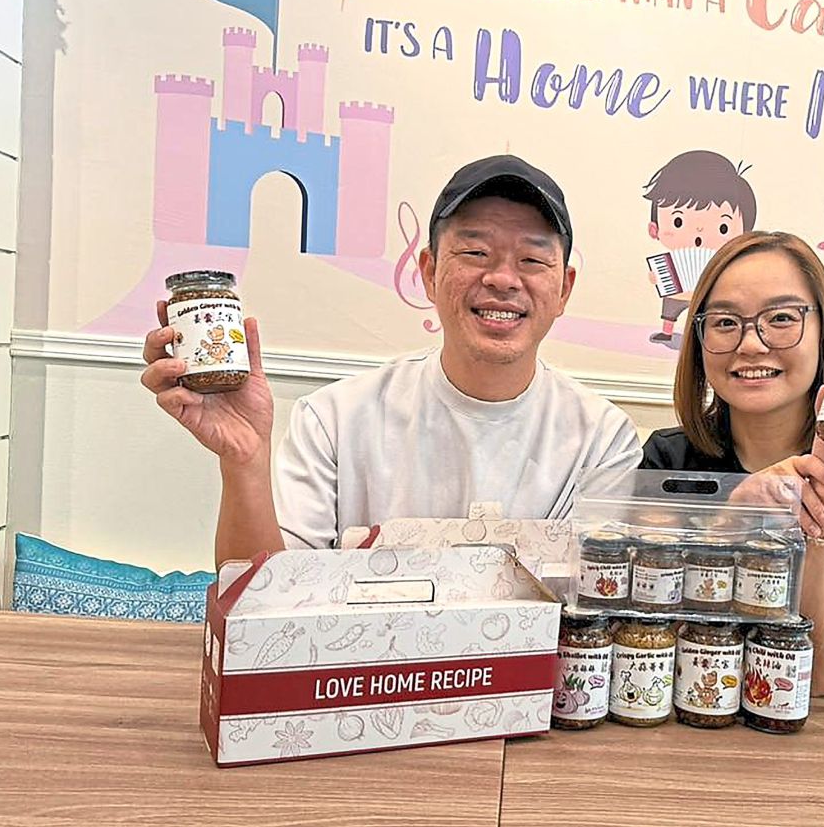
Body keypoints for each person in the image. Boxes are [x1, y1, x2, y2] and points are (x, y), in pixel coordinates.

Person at [141, 155, 642, 565]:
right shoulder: (336, 420)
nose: (503, 279)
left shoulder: (602, 441)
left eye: (532, 260)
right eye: (475, 253)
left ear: (564, 289)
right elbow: (259, 607)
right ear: (428, 271)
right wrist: (244, 462)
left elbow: (589, 618)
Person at [641, 231, 824, 696]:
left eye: (782, 318)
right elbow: (651, 637)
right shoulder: (667, 461)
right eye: (726, 322)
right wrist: (735, 523)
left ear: (823, 332)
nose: (751, 344)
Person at [642, 150, 757, 345]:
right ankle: (667, 331)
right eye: (678, 221)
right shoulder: (669, 262)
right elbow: (658, 277)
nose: (699, 232)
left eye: (723, 227)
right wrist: (657, 277)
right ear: (654, 229)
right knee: (670, 307)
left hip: (710, 295)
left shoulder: (727, 263)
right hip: (676, 293)